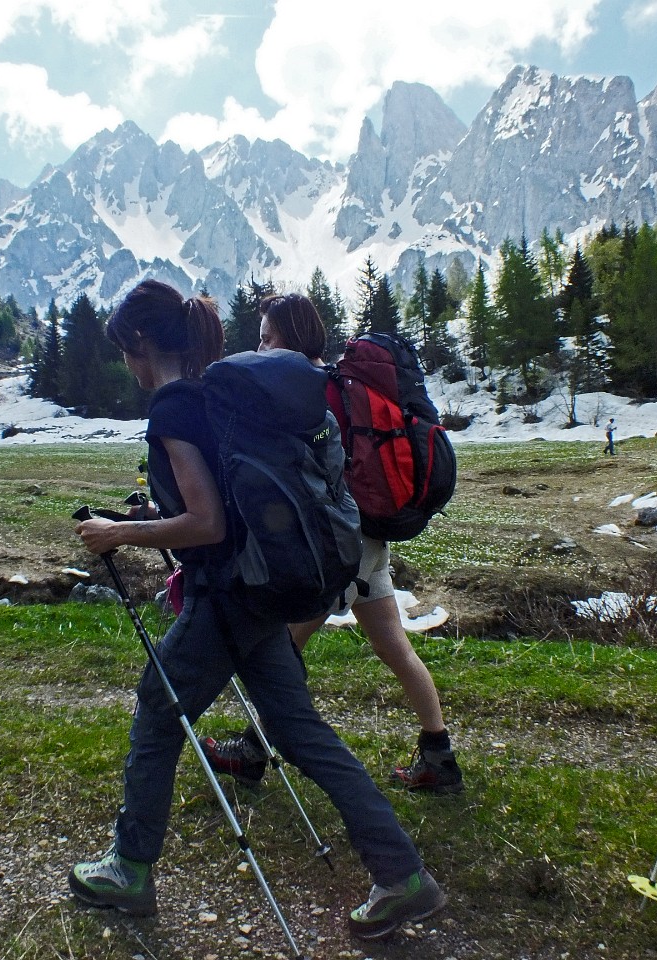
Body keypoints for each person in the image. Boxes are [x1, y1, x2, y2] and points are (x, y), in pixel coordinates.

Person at [69, 279, 444, 939]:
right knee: (299, 731)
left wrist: (119, 533)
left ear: (140, 341)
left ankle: (129, 869)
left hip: (229, 596)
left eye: (124, 351)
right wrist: (157, 516)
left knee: (160, 708)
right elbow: (217, 501)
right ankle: (402, 875)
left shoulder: (175, 406)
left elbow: (208, 523)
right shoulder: (217, 394)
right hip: (265, 589)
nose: (125, 366)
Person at [200, 292, 463, 793]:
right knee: (392, 644)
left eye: (267, 337)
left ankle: (254, 750)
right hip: (366, 537)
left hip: (339, 545)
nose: (261, 347)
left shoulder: (309, 391)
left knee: (284, 648)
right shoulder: (339, 385)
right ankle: (439, 756)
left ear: (290, 338)